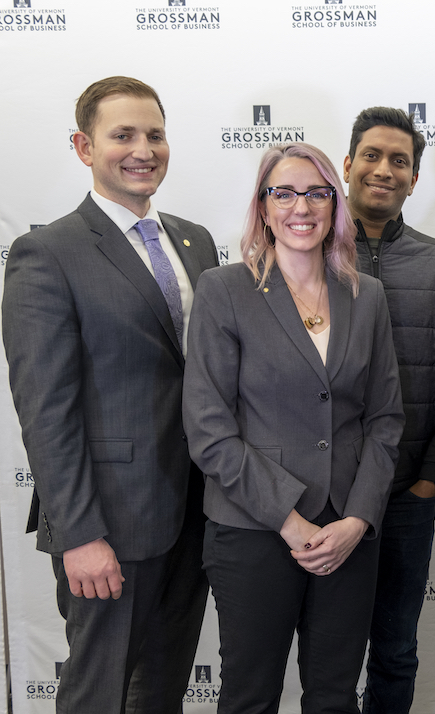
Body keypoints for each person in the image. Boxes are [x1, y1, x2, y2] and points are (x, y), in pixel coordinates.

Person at [1, 76, 216, 714]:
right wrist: (80, 534)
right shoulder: (47, 253)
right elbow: (45, 409)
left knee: (163, 691)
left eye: (154, 134)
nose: (142, 149)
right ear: (83, 146)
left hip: (198, 512)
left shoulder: (194, 241)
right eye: (122, 135)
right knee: (100, 692)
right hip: (111, 523)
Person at [182, 142, 404, 714]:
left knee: (333, 697)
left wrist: (358, 518)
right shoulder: (223, 290)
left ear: (336, 204)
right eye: (284, 193)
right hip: (254, 530)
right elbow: (209, 429)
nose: (300, 206)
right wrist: (289, 520)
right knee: (250, 697)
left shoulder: (367, 294)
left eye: (315, 192)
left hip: (347, 531)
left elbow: (385, 419)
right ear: (263, 206)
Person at [344, 106, 435, 713]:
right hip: (326, 493)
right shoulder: (303, 249)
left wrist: (429, 478)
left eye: (400, 161)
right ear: (347, 165)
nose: (384, 170)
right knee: (329, 651)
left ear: (415, 178)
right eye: (372, 155)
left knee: (395, 649)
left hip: (405, 494)